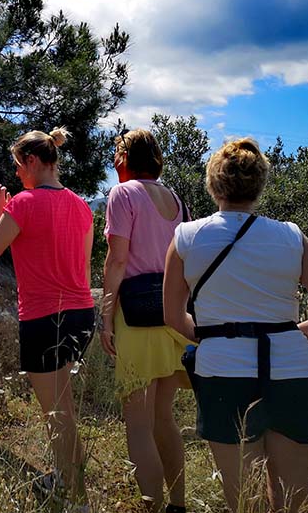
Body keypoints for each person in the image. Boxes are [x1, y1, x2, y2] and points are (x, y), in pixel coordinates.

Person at [163, 138, 308, 513]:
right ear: (259, 185)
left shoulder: (187, 238)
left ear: (213, 185)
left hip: (223, 373)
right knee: (290, 506)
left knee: (245, 505)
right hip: (294, 372)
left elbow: (171, 315)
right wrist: (298, 331)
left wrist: (209, 335)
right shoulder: (291, 237)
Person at [0, 128, 94, 512]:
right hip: (80, 313)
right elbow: (82, 265)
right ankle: (68, 481)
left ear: (32, 161)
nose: (16, 174)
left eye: (18, 165)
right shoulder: (82, 205)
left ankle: (74, 498)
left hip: (45, 316)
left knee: (57, 414)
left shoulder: (24, 203)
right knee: (65, 411)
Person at [99, 129, 191, 513]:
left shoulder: (122, 194)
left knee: (137, 421)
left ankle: (151, 507)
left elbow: (117, 259)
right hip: (173, 314)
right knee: (162, 417)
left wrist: (106, 315)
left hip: (136, 318)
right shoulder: (176, 199)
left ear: (123, 158)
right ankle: (178, 503)